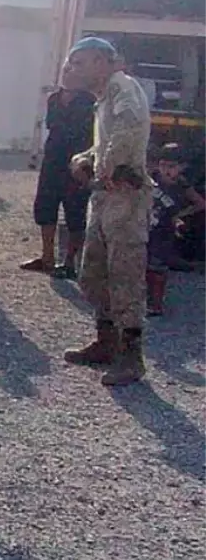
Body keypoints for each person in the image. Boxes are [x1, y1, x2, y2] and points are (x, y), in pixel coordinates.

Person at [63, 37, 152, 386]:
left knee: (125, 273)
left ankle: (131, 355)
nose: (72, 69)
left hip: (126, 196)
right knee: (93, 273)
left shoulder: (122, 87)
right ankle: (106, 340)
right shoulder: (103, 98)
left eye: (79, 62)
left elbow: (129, 130)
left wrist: (106, 168)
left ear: (102, 62)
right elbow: (108, 141)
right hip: (105, 197)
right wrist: (85, 158)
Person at [21, 64, 96, 277]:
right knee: (45, 206)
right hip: (53, 160)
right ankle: (47, 257)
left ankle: (70, 262)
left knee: (75, 210)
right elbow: (51, 126)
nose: (69, 76)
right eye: (66, 72)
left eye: (74, 71)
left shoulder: (90, 102)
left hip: (78, 162)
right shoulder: (54, 99)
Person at [147, 144, 206, 316]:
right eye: (163, 165)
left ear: (181, 167)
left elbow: (201, 203)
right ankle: (144, 300)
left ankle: (156, 304)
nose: (166, 170)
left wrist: (179, 214)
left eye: (171, 167)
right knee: (141, 265)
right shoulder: (151, 179)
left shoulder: (182, 185)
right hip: (146, 226)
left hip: (164, 230)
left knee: (158, 267)